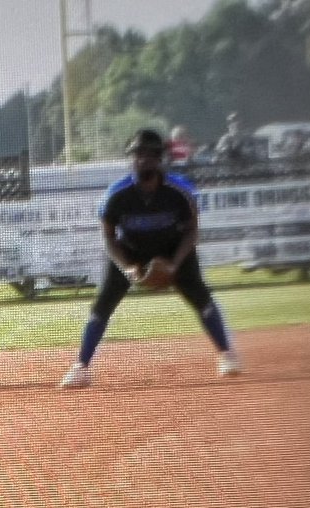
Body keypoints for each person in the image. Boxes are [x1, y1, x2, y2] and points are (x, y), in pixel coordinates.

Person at [60, 128, 241, 389]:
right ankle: (81, 367)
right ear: (131, 158)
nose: (143, 159)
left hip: (173, 248)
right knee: (102, 305)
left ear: (160, 159)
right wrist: (128, 268)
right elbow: (109, 238)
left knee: (202, 297)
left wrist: (175, 264)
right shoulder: (117, 194)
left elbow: (191, 231)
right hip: (130, 250)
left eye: (150, 154)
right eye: (137, 154)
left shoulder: (179, 190)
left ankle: (227, 354)